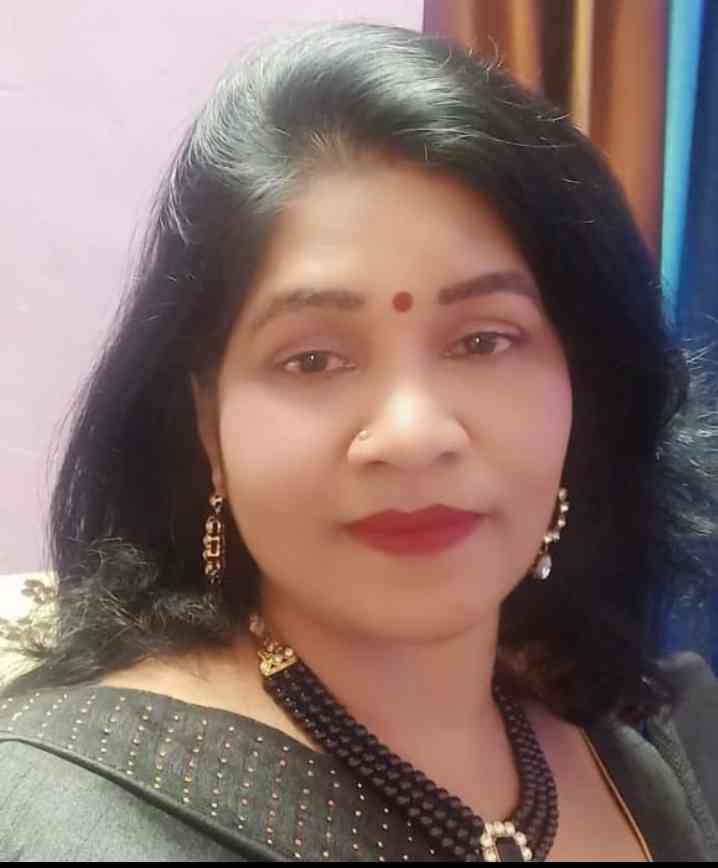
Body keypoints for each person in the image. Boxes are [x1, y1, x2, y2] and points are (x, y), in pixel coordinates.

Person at [1, 20, 717, 862]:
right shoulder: (82, 817)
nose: (412, 436)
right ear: (207, 426)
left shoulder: (632, 738)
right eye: (312, 359)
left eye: (483, 340)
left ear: (580, 391)